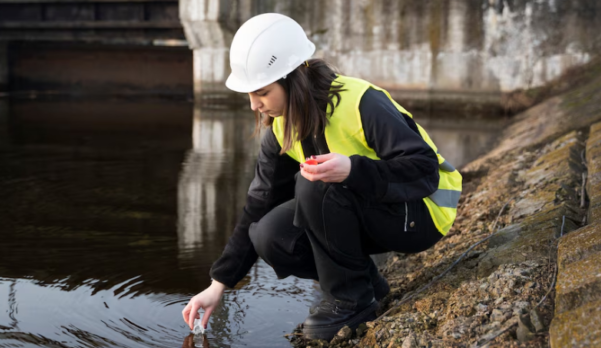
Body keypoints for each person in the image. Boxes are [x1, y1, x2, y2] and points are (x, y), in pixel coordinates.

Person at [182, 13, 462, 341]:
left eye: (262, 92)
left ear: (293, 77)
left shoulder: (361, 102)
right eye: (249, 94)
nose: (254, 105)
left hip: (422, 212)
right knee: (269, 235)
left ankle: (350, 301)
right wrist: (219, 285)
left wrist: (354, 170)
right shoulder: (281, 129)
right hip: (376, 209)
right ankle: (366, 286)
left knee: (314, 186)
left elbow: (423, 169)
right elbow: (257, 207)